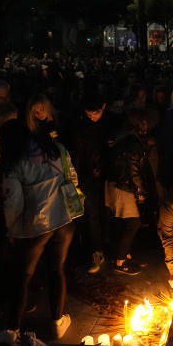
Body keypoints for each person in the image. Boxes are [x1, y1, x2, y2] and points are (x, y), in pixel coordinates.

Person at [0, 118, 77, 341]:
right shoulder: (56, 148)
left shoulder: (14, 162)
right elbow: (72, 176)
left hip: (35, 226)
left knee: (22, 276)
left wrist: (10, 230)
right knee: (56, 269)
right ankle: (58, 323)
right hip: (64, 218)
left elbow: (13, 203)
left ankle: (12, 330)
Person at [106, 109, 156, 275]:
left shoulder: (125, 137)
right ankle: (120, 262)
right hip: (124, 187)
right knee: (132, 223)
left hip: (118, 184)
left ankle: (125, 255)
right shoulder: (133, 143)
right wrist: (141, 193)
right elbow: (133, 171)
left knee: (124, 223)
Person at [71, 93, 114, 274]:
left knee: (106, 213)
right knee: (91, 215)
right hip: (88, 178)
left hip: (108, 176)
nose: (92, 117)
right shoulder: (81, 128)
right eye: (89, 114)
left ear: (103, 107)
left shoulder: (110, 123)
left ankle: (106, 249)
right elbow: (78, 155)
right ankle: (95, 252)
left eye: (95, 113)